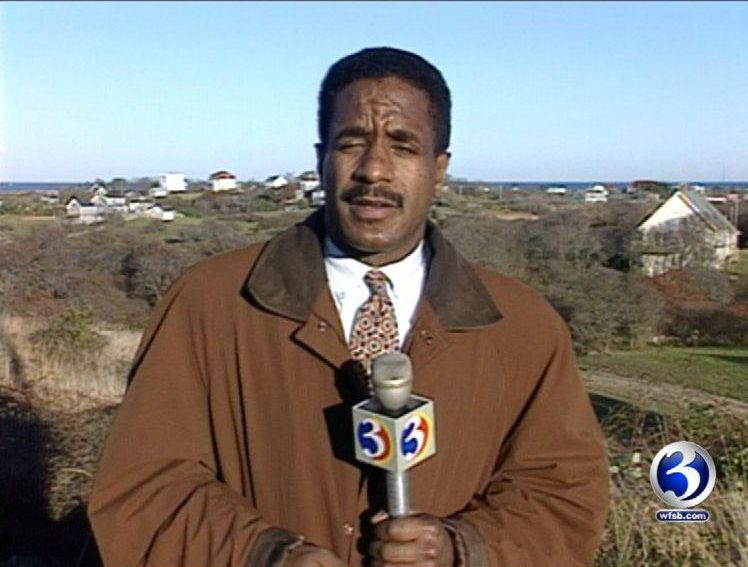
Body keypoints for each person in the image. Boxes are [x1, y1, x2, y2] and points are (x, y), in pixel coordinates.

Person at [88, 47, 609, 567]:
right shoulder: (210, 304)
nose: (374, 170)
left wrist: (462, 547)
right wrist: (264, 555)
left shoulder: (523, 327)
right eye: (351, 143)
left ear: (439, 168)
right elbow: (145, 486)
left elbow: (562, 494)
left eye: (403, 146)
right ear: (321, 160)